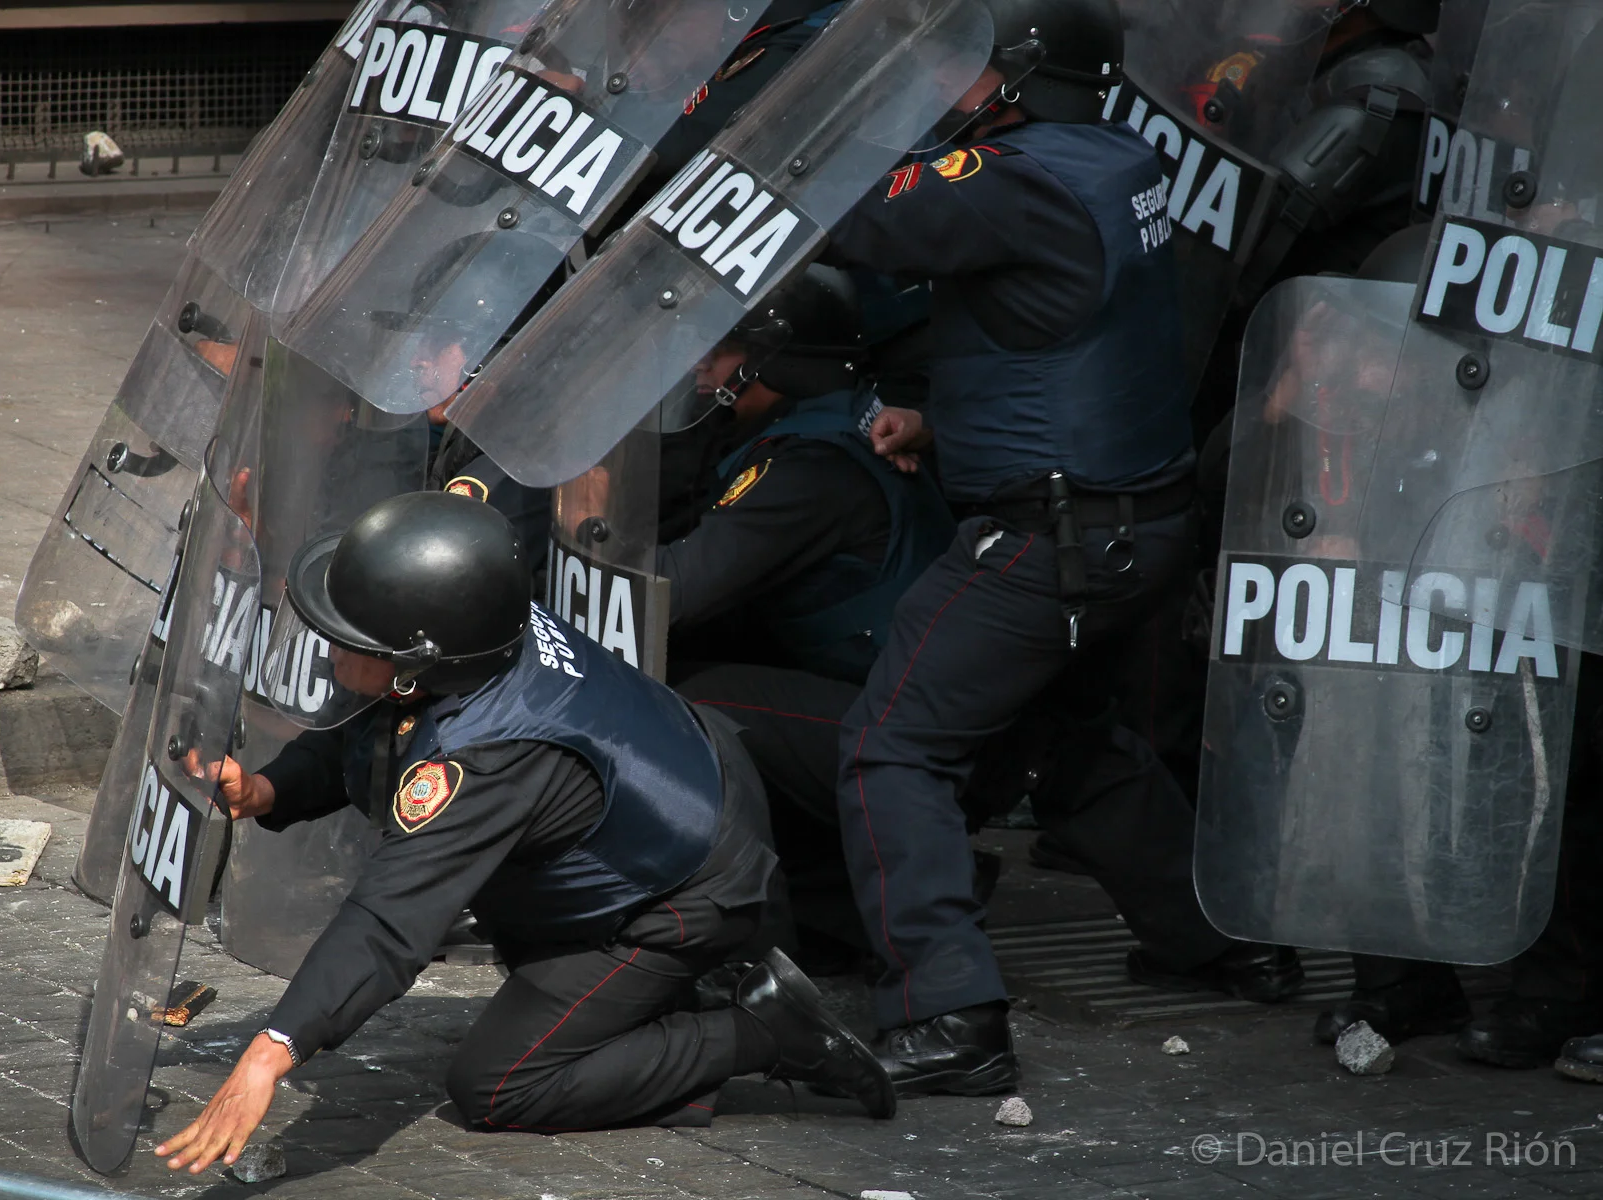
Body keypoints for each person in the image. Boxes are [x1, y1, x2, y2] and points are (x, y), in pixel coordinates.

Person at [816, 0, 1303, 1098]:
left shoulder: (1011, 178)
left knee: (889, 750)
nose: (945, 90)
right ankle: (1221, 936)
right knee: (1067, 735)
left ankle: (950, 1016)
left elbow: (839, 217)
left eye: (962, 69)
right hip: (1132, 522)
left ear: (1021, 78)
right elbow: (1071, 322)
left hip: (1049, 539)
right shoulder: (1116, 158)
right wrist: (946, 417)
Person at [151, 492, 894, 1174]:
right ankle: (663, 1015)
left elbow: (387, 922)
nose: (329, 653)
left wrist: (271, 1052)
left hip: (685, 893)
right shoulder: (476, 631)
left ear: (413, 663)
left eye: (348, 641)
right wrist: (268, 788)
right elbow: (378, 727)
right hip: (677, 799)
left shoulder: (492, 755)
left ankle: (766, 1031)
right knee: (534, 973)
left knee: (503, 1084)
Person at [656, 265, 954, 685]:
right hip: (873, 669)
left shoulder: (808, 469)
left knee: (695, 699)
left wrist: (586, 507)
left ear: (778, 361)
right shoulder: (830, 413)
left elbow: (668, 596)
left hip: (894, 705)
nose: (700, 366)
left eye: (721, 348)